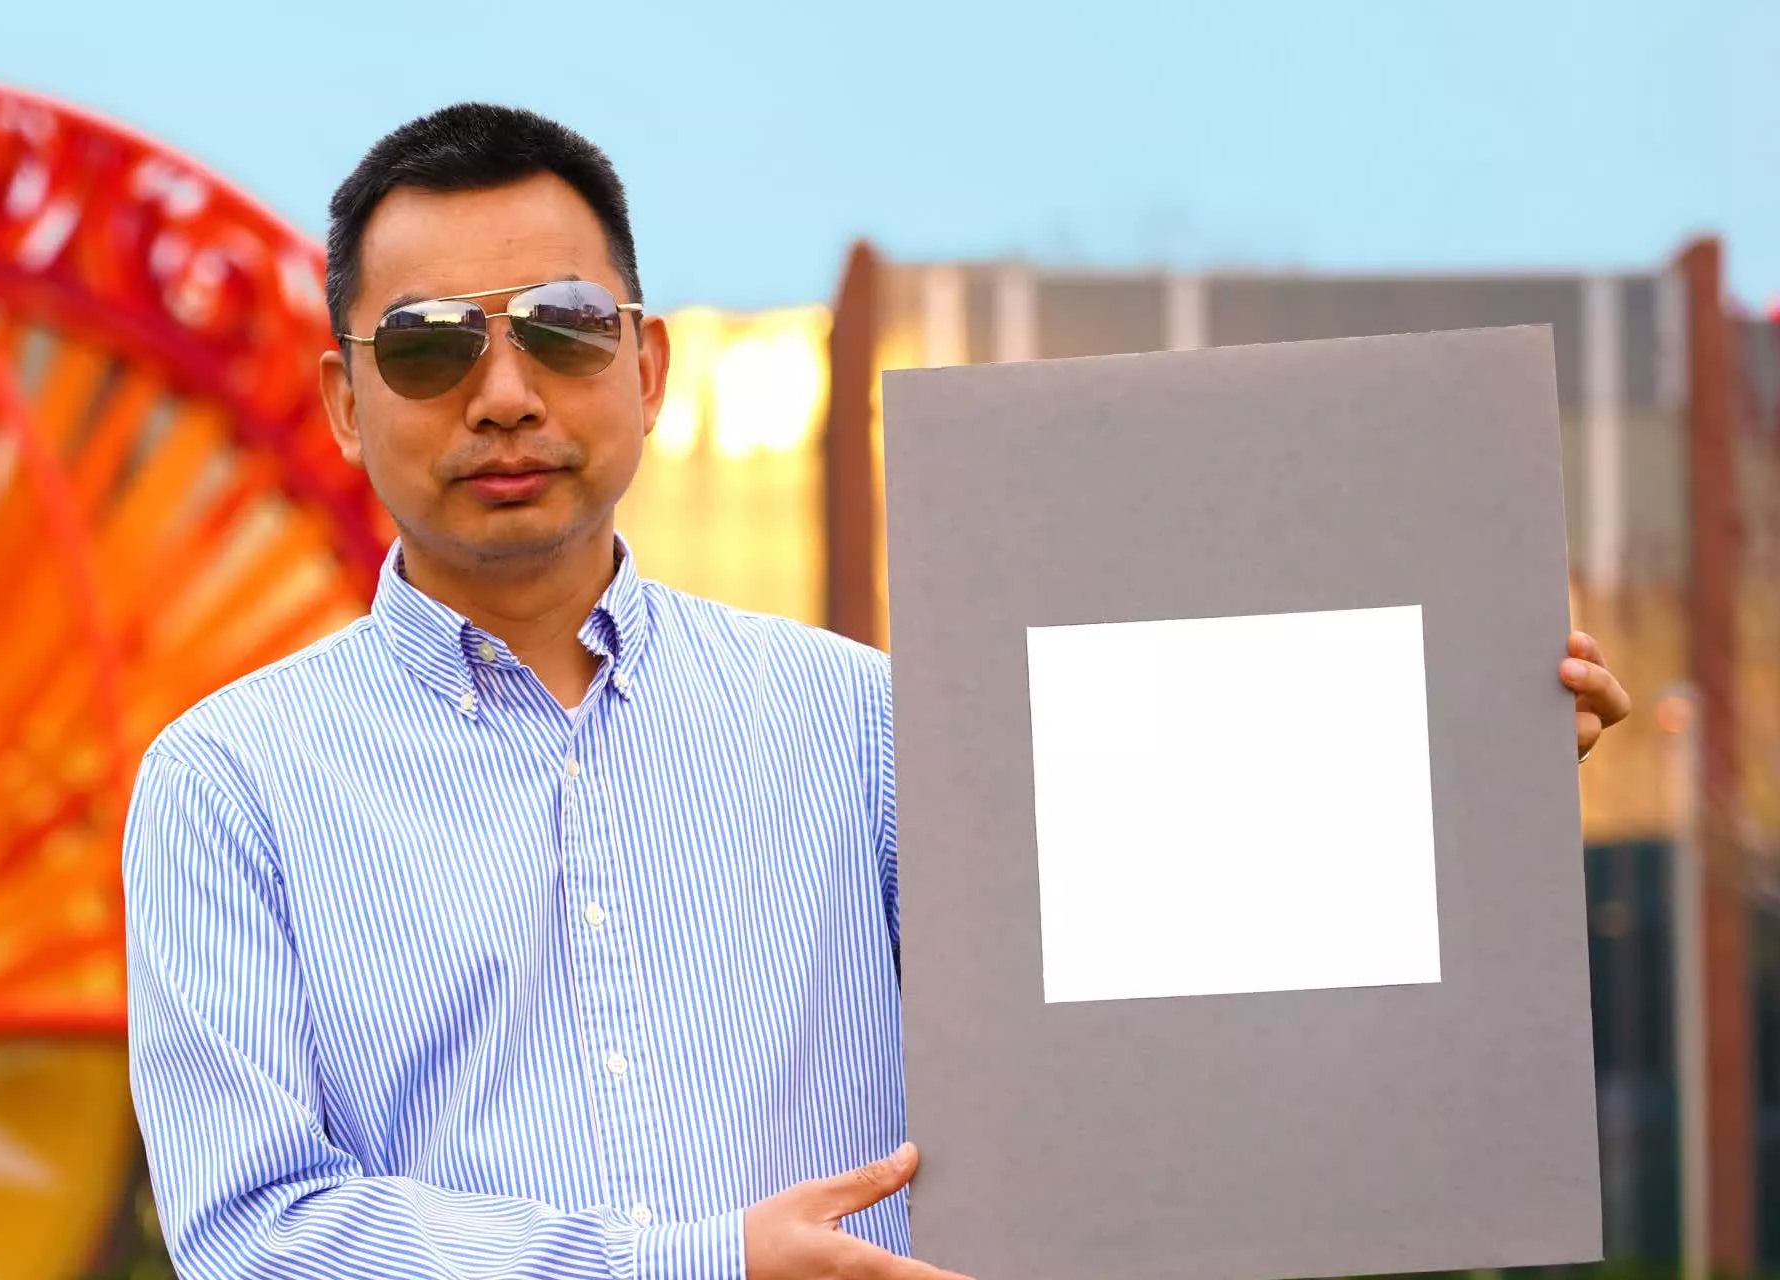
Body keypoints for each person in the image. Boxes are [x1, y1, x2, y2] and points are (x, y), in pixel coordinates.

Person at [121, 103, 1634, 1280]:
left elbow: (1135, 962)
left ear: (648, 368)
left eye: (564, 328)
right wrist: (700, 1265)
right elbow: (254, 1235)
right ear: (344, 400)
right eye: (431, 345)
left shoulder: (862, 721)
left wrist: (1447, 764)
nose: (505, 393)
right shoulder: (228, 783)